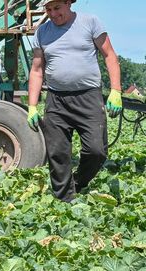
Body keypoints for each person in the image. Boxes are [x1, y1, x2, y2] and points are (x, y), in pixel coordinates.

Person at [26, 0, 121, 202]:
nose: (52, 13)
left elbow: (109, 55)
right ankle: (64, 200)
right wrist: (32, 105)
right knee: (58, 153)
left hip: (88, 97)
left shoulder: (90, 22)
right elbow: (36, 70)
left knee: (97, 151)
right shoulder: (42, 32)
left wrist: (116, 90)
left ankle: (77, 183)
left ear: (68, 3)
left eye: (57, 8)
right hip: (56, 100)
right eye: (48, 9)